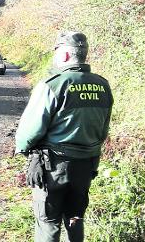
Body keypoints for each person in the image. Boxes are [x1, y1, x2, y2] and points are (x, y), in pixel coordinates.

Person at [15, 31, 113, 242]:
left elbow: (29, 132)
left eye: (57, 51)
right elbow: (103, 131)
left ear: (66, 55)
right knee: (75, 218)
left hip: (54, 168)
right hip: (86, 166)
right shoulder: (103, 85)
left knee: (48, 223)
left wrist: (23, 149)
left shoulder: (53, 84)